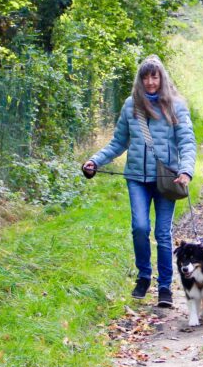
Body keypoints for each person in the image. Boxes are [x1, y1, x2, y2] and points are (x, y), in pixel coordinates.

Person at [82, 56, 196, 307]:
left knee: (163, 234)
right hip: (136, 178)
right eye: (145, 77)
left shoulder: (176, 106)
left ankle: (165, 287)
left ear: (162, 78)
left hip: (167, 178)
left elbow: (187, 142)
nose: (150, 81)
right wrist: (95, 161)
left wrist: (186, 170)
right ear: (140, 79)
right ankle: (144, 276)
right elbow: (118, 142)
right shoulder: (130, 106)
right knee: (140, 227)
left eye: (154, 76)